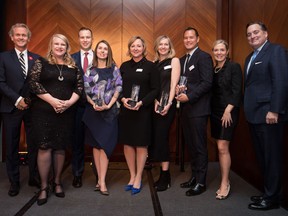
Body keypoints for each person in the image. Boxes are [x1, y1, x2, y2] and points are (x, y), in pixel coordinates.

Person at [28, 34, 83, 205]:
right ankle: (44, 186)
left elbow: (79, 87)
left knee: (60, 148)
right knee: (44, 147)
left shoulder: (73, 66)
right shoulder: (41, 63)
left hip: (65, 113)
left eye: (63, 44)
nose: (59, 47)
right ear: (51, 45)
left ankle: (57, 182)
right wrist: (52, 101)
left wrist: (67, 104)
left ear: (67, 47)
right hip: (43, 111)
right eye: (56, 44)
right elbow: (33, 83)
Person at [244, 22, 288, 210]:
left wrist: (275, 109)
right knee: (263, 157)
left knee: (272, 158)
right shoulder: (249, 57)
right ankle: (269, 193)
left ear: (265, 34)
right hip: (254, 115)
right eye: (249, 34)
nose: (252, 36)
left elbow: (281, 81)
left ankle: (272, 198)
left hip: (269, 115)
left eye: (256, 32)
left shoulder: (276, 51)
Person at [0, 23, 40, 197]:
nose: (21, 37)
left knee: (34, 144)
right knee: (11, 146)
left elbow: (39, 83)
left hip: (32, 108)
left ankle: (34, 176)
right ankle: (14, 182)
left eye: (24, 35)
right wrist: (17, 100)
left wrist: (28, 100)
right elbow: (1, 82)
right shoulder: (3, 57)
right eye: (18, 35)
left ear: (29, 37)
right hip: (11, 107)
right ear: (12, 37)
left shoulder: (37, 58)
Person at [119, 36, 160, 195]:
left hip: (143, 111)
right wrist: (123, 99)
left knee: (141, 144)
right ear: (129, 49)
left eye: (139, 46)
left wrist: (141, 103)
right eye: (133, 46)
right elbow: (118, 87)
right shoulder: (123, 66)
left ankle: (139, 177)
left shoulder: (151, 67)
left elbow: (155, 89)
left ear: (144, 48)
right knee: (128, 144)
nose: (135, 48)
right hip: (126, 111)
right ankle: (132, 175)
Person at [176, 27, 213, 196]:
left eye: (191, 37)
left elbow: (207, 83)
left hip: (198, 109)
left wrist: (189, 96)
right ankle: (194, 176)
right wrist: (179, 89)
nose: (188, 40)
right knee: (190, 145)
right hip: (185, 110)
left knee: (199, 146)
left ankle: (201, 182)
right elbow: (185, 82)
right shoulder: (183, 59)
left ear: (198, 39)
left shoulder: (203, 57)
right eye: (186, 37)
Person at [82, 40, 122, 195]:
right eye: (100, 48)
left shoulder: (114, 69)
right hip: (93, 113)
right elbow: (86, 90)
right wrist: (93, 103)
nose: (102, 51)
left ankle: (103, 181)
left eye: (105, 48)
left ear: (108, 52)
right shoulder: (89, 70)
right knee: (96, 146)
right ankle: (99, 180)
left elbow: (118, 88)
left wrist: (109, 104)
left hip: (109, 113)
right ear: (96, 51)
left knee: (105, 146)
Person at [210, 39, 242, 199]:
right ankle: (225, 179)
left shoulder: (234, 67)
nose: (219, 53)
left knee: (223, 147)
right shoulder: (214, 69)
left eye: (222, 50)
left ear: (227, 51)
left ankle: (225, 183)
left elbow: (237, 90)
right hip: (214, 112)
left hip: (228, 111)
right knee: (219, 146)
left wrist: (228, 110)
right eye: (216, 50)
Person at [150, 35, 180, 191]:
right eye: (160, 44)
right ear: (157, 47)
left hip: (168, 105)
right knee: (157, 139)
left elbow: (174, 84)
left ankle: (165, 175)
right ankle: (163, 174)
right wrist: (155, 101)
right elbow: (154, 87)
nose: (163, 47)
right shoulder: (154, 64)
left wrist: (168, 104)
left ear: (170, 47)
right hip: (155, 106)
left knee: (162, 137)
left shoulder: (174, 61)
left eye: (166, 44)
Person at [71, 27, 94, 188]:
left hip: (96, 108)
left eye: (88, 37)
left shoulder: (101, 56)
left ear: (92, 39)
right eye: (82, 37)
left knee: (96, 142)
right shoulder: (71, 59)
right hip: (77, 107)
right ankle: (77, 174)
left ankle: (99, 175)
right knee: (77, 141)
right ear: (78, 39)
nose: (85, 40)